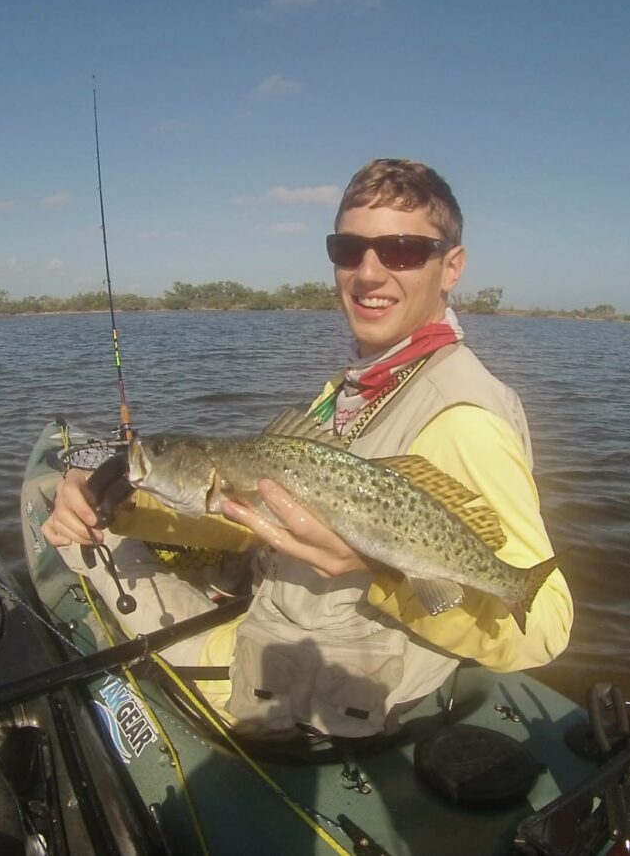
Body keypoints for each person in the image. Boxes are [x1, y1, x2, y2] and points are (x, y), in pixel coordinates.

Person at [41, 158, 573, 738]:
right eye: (348, 249)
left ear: (451, 267)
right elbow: (256, 519)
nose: (369, 273)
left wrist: (377, 569)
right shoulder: (353, 388)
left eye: (400, 251)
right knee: (85, 514)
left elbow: (545, 626)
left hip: (314, 690)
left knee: (77, 551)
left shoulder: (464, 418)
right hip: (283, 630)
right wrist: (122, 510)